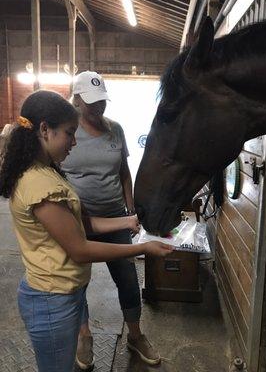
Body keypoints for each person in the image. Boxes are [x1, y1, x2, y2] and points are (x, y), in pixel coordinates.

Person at [0, 90, 173, 372]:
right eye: (69, 133)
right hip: (51, 300)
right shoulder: (39, 185)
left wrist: (126, 222)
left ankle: (135, 335)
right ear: (45, 130)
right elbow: (80, 249)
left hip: (63, 291)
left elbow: (80, 224)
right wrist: (143, 247)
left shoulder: (49, 171)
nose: (74, 141)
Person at [62, 70, 160, 369]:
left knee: (128, 279)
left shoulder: (115, 130)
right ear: (76, 99)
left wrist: (130, 210)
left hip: (116, 217)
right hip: (78, 221)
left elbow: (123, 172)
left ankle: (135, 335)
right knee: (77, 281)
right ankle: (84, 334)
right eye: (91, 102)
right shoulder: (65, 134)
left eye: (102, 101)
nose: (98, 107)